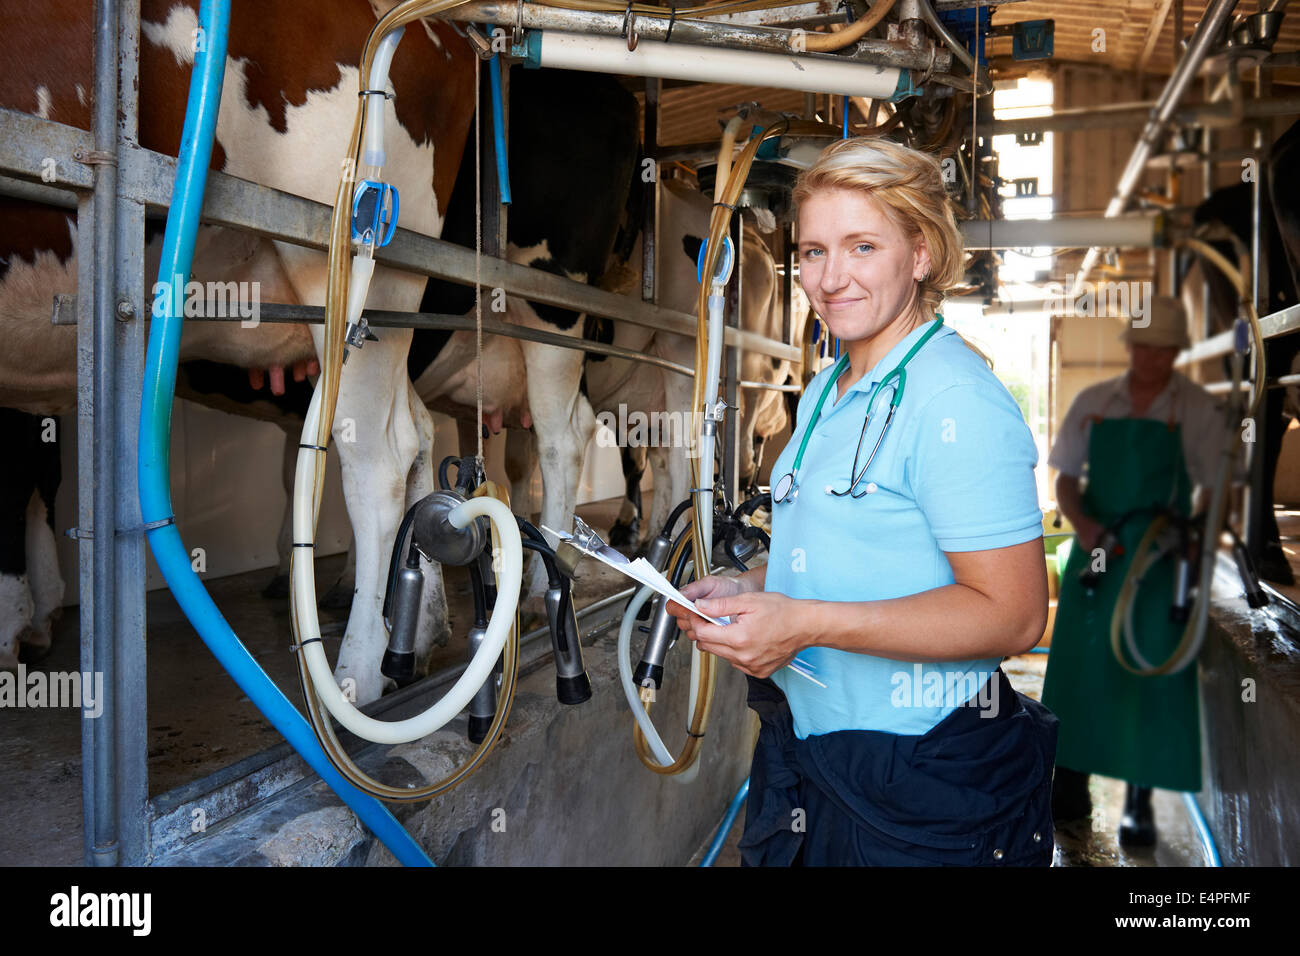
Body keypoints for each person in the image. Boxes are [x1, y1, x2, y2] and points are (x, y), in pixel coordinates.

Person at [666, 137, 1057, 866]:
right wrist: (752, 587)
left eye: (862, 247)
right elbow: (850, 549)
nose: (831, 278)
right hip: (814, 754)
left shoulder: (956, 399)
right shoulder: (825, 390)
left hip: (925, 775)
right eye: (813, 251)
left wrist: (805, 622)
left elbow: (1016, 614)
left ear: (921, 256)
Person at [1042, 296, 1226, 847]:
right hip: (1099, 554)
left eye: (1162, 348)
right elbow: (1067, 480)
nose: (1151, 357)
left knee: (1150, 678)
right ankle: (1069, 786)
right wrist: (1089, 530)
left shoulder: (1193, 408)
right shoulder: (1096, 402)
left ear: (1174, 351)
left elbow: (1213, 487)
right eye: (1142, 346)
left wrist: (1196, 538)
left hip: (1158, 558)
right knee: (1080, 670)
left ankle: (1140, 804)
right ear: (1131, 348)